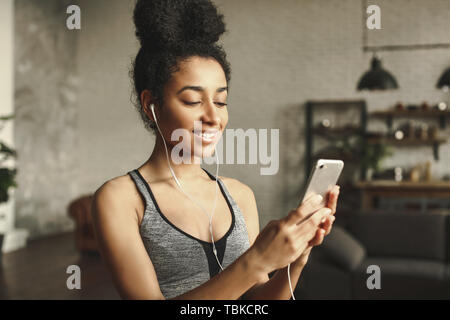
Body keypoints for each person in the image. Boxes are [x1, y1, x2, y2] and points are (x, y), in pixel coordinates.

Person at [91, 0, 340, 300]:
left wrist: (297, 257)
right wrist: (257, 260)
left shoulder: (239, 195)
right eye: (193, 101)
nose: (213, 117)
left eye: (221, 102)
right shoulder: (120, 199)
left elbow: (254, 302)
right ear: (150, 105)